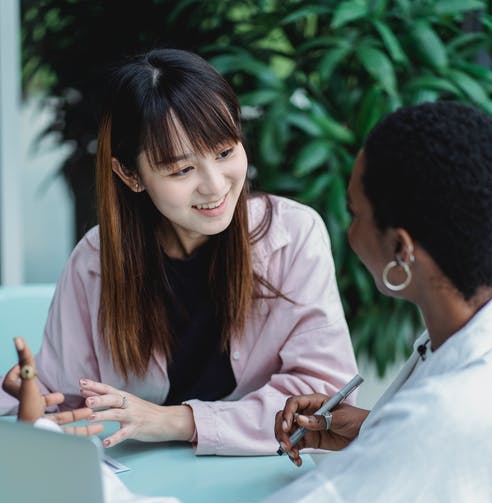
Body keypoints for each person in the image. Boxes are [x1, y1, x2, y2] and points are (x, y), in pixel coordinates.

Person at [5, 101, 492, 503]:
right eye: (181, 168)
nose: (346, 232)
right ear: (131, 177)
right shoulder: (462, 361)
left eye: (354, 215)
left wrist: (78, 493)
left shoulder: (446, 415)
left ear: (401, 249)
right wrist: (377, 432)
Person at [0, 47, 356, 455]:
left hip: (269, 478)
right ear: (130, 174)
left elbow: (327, 399)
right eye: (181, 170)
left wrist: (172, 420)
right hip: (142, 491)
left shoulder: (293, 235)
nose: (215, 185)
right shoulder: (94, 262)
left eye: (225, 152)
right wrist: (28, 403)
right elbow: (66, 405)